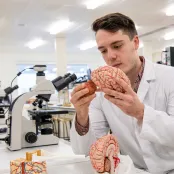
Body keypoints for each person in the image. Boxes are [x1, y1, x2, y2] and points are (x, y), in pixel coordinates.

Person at [70, 13, 174, 174]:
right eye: (103, 50)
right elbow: (88, 150)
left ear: (136, 42)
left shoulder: (170, 77)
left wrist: (140, 113)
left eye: (117, 46)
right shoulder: (100, 92)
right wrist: (82, 114)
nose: (110, 56)